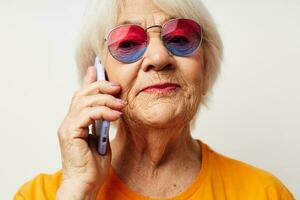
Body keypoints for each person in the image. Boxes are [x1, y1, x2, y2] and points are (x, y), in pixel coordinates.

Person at [14, 0, 295, 199]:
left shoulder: (265, 193)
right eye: (128, 43)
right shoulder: (40, 195)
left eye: (181, 38)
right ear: (98, 74)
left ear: (205, 64)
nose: (159, 58)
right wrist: (79, 190)